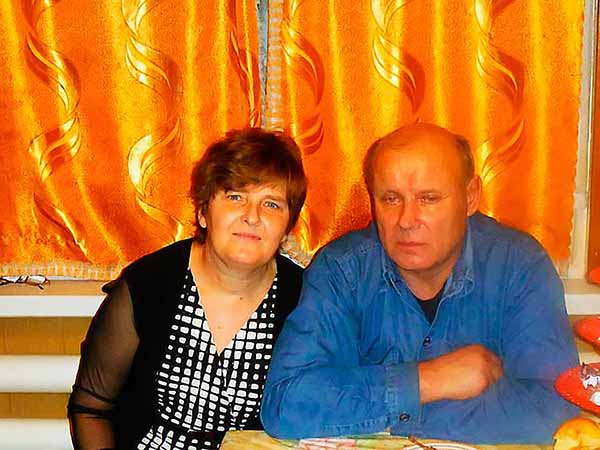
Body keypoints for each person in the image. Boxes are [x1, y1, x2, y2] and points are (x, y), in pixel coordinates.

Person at [261, 123, 579, 444]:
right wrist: (430, 381)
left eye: (428, 198)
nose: (407, 220)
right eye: (390, 199)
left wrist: (388, 414)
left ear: (470, 197)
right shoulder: (343, 270)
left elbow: (555, 404)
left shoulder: (518, 265)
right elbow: (287, 404)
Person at [68, 128, 308, 450]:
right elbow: (91, 409)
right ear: (203, 212)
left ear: (287, 227)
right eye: (235, 197)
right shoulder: (148, 286)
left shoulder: (305, 301)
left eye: (272, 204)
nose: (252, 216)